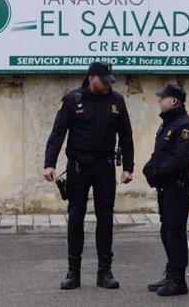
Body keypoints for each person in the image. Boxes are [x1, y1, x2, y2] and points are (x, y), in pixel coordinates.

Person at [43, 61, 134, 290]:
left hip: (105, 166)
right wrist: (49, 163)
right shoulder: (73, 99)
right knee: (76, 216)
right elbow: (58, 132)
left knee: (105, 218)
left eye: (109, 81)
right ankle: (73, 273)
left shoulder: (117, 101)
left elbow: (126, 135)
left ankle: (105, 272)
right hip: (78, 167)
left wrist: (128, 168)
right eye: (104, 80)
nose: (107, 84)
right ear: (92, 78)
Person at [143, 83, 189, 296]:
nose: (159, 100)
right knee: (167, 230)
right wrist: (149, 167)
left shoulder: (185, 127)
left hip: (177, 186)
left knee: (175, 231)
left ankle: (179, 281)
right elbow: (161, 153)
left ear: (174, 101)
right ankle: (170, 273)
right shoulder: (168, 124)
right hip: (166, 186)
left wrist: (156, 173)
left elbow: (179, 159)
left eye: (163, 98)